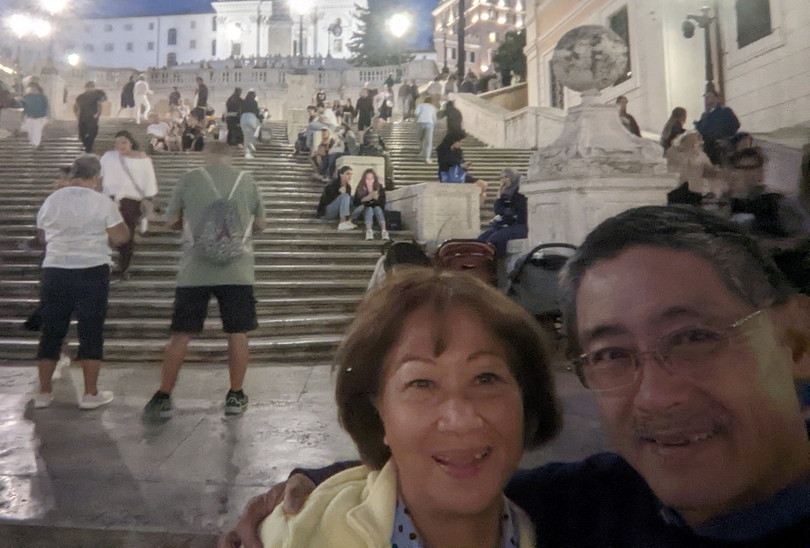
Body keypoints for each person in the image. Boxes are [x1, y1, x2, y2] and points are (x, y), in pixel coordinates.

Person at [227, 205, 810, 548]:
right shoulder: (598, 507)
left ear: (797, 341)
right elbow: (455, 490)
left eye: (694, 338)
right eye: (610, 354)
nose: (656, 394)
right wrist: (316, 490)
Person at [259, 269, 560, 548]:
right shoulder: (300, 537)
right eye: (422, 384)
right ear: (377, 413)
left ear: (527, 403)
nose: (460, 419)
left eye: (485, 378)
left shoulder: (567, 524)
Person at [143, 140, 267, 420]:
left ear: (206, 155)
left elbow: (172, 220)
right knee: (238, 333)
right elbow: (261, 224)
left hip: (194, 270)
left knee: (181, 333)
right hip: (238, 271)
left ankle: (163, 394)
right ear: (231, 155)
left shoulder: (189, 179)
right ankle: (235, 394)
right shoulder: (247, 182)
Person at [33, 154, 130, 410]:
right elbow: (120, 237)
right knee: (91, 330)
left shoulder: (52, 199)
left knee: (52, 330)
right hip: (92, 269)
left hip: (55, 269)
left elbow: (42, 235)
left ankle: (43, 392)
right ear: (97, 177)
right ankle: (90, 393)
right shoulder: (101, 202)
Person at [100, 130, 158, 277]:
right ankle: (105, 261)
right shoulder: (108, 157)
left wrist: (149, 198)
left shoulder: (143, 160)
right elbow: (100, 176)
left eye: (124, 142)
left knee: (127, 232)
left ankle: (123, 264)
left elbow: (149, 181)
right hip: (109, 198)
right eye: (117, 142)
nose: (120, 145)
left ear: (131, 142)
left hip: (131, 200)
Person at [477, 169, 528, 256]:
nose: (501, 181)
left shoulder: (520, 192)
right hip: (509, 223)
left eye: (502, 178)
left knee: (494, 240)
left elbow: (520, 213)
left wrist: (507, 215)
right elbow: (498, 210)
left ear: (508, 178)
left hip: (521, 226)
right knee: (481, 239)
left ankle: (496, 264)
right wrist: (499, 197)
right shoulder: (507, 191)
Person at [437, 129, 488, 203]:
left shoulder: (458, 152)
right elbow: (444, 164)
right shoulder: (442, 151)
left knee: (483, 186)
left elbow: (461, 162)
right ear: (453, 142)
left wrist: (465, 165)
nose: (460, 144)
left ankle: (472, 207)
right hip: (449, 176)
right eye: (459, 142)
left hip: (460, 175)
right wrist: (459, 165)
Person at [695, 86, 742, 164]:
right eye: (706, 98)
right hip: (707, 144)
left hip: (722, 143)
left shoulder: (725, 111)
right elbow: (703, 131)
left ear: (716, 98)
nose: (707, 101)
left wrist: (725, 136)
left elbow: (735, 125)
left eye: (709, 97)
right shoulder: (704, 115)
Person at [351, 168, 389, 241]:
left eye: (372, 179)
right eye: (367, 179)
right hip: (362, 211)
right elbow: (357, 203)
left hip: (376, 209)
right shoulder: (360, 188)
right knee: (369, 209)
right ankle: (369, 230)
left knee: (377, 208)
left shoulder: (379, 187)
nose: (370, 181)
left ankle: (384, 230)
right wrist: (368, 198)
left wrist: (375, 199)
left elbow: (382, 203)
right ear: (364, 179)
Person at [316, 165, 356, 231]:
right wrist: (338, 192)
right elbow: (325, 200)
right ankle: (342, 222)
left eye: (351, 174)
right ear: (341, 175)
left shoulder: (348, 187)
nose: (350, 176)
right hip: (327, 211)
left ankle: (347, 221)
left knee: (349, 198)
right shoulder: (333, 184)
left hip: (336, 213)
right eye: (347, 174)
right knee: (344, 196)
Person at [75, 81, 107, 153]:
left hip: (91, 117)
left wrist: (98, 114)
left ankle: (88, 147)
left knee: (91, 133)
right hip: (85, 117)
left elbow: (101, 102)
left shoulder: (96, 95)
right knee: (84, 134)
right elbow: (77, 107)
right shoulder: (81, 97)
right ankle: (87, 146)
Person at [20, 83, 50, 148]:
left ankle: (35, 144)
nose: (33, 90)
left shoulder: (42, 98)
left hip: (39, 117)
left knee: (37, 131)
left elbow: (46, 107)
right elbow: (23, 106)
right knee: (30, 131)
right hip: (29, 117)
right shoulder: (27, 97)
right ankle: (32, 143)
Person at [415, 96, 437, 163]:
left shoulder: (420, 105)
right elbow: (434, 118)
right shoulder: (432, 107)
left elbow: (416, 113)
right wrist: (434, 124)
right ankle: (427, 157)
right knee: (429, 141)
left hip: (421, 122)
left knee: (421, 138)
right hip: (429, 124)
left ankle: (421, 151)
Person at [240, 90, 262, 159]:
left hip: (243, 118)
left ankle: (247, 151)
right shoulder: (254, 102)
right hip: (251, 117)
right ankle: (251, 145)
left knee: (246, 135)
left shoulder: (243, 102)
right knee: (253, 133)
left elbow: (241, 110)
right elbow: (256, 112)